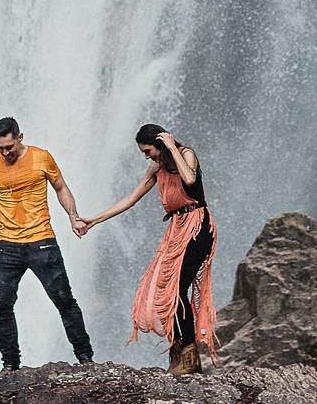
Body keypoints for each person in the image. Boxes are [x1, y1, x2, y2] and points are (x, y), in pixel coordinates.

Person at [74, 124, 217, 375]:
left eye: (148, 150)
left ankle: (191, 358)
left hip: (197, 226)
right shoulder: (156, 168)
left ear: (160, 145)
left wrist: (172, 147)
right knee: (162, 289)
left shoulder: (185, 155)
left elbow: (190, 179)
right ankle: (177, 353)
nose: (146, 156)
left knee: (176, 288)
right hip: (176, 228)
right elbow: (131, 198)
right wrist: (94, 220)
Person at [0, 116, 94, 371]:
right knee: (2, 306)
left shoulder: (42, 157)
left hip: (42, 241)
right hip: (6, 245)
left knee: (64, 300)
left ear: (20, 137)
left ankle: (86, 359)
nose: (5, 152)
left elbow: (61, 187)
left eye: (9, 147)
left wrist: (73, 217)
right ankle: (10, 365)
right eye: (1, 148)